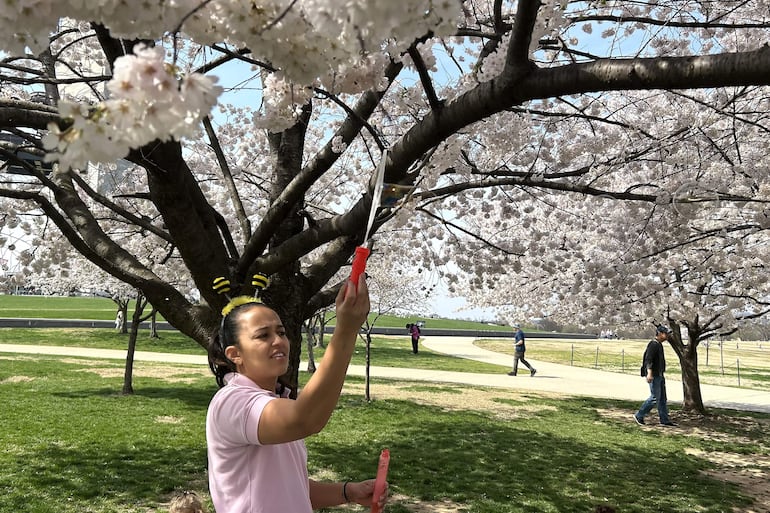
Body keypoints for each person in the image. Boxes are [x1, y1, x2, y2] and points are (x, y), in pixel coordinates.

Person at [205, 277, 388, 513]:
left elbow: (292, 487)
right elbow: (304, 419)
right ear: (235, 354)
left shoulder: (277, 401)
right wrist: (346, 330)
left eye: (281, 332)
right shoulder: (231, 402)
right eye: (263, 335)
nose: (278, 341)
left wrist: (348, 492)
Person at [634, 324, 676, 427]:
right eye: (666, 334)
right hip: (654, 375)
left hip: (660, 375)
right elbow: (648, 359)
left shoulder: (659, 345)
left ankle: (664, 420)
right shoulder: (653, 344)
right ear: (660, 334)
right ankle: (639, 415)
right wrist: (649, 373)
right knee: (654, 398)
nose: (667, 336)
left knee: (662, 399)